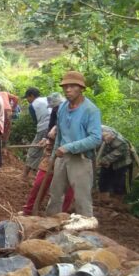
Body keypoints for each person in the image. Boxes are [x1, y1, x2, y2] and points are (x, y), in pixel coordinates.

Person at [46, 71, 102, 217]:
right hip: (61, 157)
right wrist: (53, 157)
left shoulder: (91, 110)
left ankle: (86, 230)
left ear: (81, 88)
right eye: (65, 87)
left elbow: (96, 138)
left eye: (72, 86)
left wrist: (68, 147)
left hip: (81, 159)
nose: (68, 90)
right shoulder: (63, 108)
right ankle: (51, 224)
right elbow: (60, 133)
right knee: (55, 194)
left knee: (82, 199)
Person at [22, 126, 74, 214]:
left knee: (67, 190)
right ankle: (29, 210)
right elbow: (52, 129)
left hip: (72, 157)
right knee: (40, 183)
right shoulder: (61, 116)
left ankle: (60, 216)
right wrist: (47, 139)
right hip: (52, 155)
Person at [98, 125, 133, 208]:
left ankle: (118, 206)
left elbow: (124, 147)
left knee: (120, 184)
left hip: (122, 163)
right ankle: (103, 204)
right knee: (103, 182)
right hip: (107, 161)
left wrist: (105, 159)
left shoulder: (106, 132)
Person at [23, 88, 52, 179]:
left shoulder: (33, 105)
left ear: (31, 96)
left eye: (27, 97)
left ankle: (24, 174)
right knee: (48, 152)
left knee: (33, 150)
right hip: (54, 128)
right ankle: (40, 175)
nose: (27, 100)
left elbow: (36, 121)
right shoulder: (47, 99)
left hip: (43, 128)